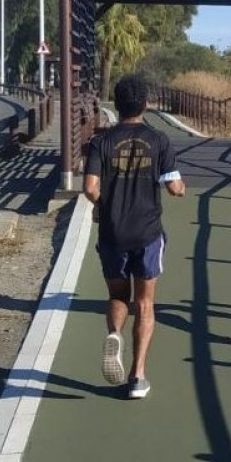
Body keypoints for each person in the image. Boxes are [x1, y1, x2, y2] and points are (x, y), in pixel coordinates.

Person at [83, 74, 185, 399]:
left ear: (117, 103)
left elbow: (89, 188)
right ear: (145, 104)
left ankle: (115, 333)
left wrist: (105, 204)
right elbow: (173, 186)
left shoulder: (101, 142)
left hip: (113, 231)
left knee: (117, 296)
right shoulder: (159, 140)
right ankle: (138, 376)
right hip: (147, 233)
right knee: (145, 304)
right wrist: (180, 188)